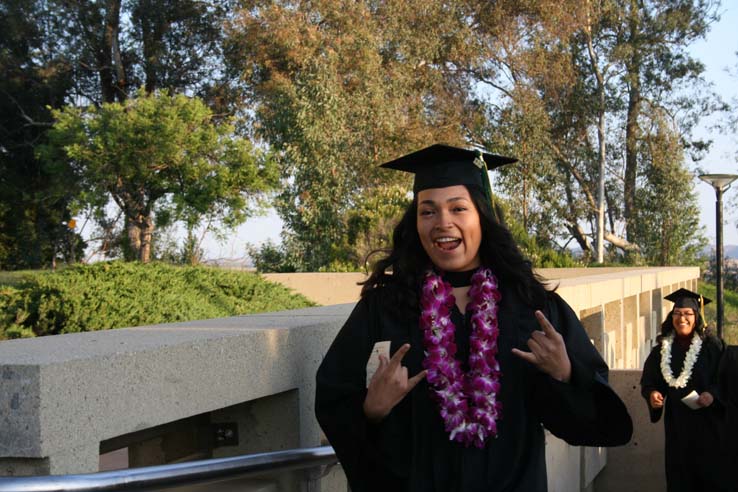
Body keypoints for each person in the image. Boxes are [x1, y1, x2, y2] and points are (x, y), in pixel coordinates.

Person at [315, 144, 633, 492]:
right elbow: (333, 396)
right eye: (428, 211)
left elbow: (593, 424)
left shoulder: (532, 306)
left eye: (458, 208)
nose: (442, 223)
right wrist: (370, 410)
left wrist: (566, 373)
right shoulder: (386, 306)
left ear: (482, 216)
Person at [640, 288, 733, 491]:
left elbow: (727, 378)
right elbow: (650, 381)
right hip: (678, 428)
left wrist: (713, 395)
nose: (682, 318)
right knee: (680, 477)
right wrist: (653, 394)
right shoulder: (662, 351)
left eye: (688, 314)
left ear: (697, 317)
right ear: (671, 317)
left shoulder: (713, 347)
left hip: (710, 427)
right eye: (677, 313)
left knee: (711, 478)